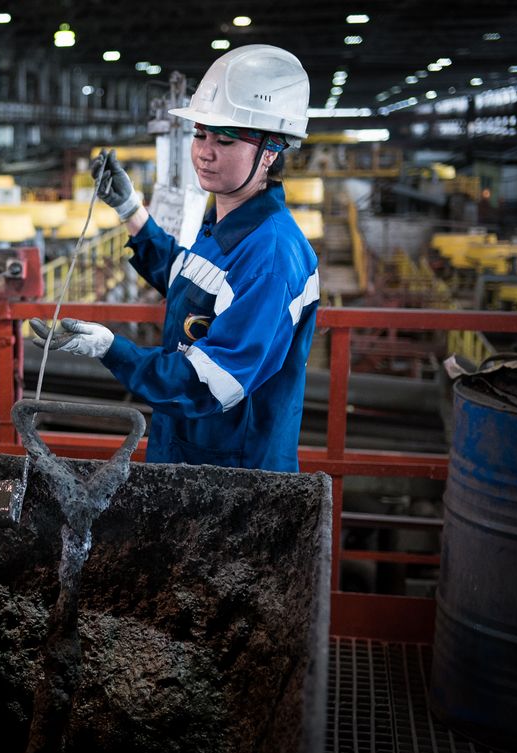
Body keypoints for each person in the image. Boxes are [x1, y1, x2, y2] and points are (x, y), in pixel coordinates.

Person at [31, 44, 319, 472]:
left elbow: (210, 385)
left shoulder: (271, 257)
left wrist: (113, 349)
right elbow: (190, 278)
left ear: (271, 152)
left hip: (236, 474)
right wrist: (130, 210)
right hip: (187, 446)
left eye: (224, 140)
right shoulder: (228, 218)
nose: (205, 151)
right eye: (200, 134)